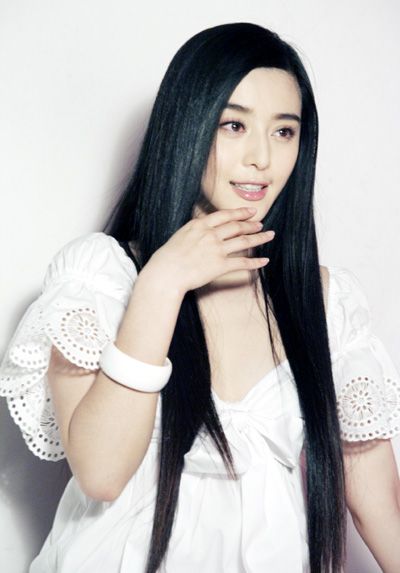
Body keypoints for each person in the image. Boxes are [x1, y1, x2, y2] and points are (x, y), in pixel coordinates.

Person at [1, 21, 399, 573]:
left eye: (284, 131)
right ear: (187, 126)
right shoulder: (102, 276)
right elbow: (101, 474)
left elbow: (381, 507)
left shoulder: (326, 301)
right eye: (234, 125)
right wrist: (162, 284)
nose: (261, 157)